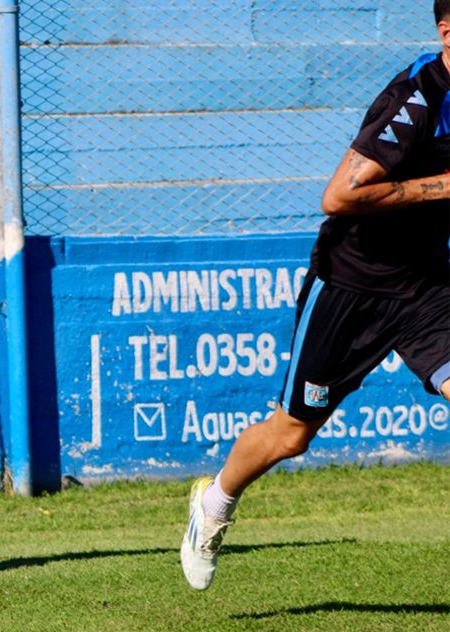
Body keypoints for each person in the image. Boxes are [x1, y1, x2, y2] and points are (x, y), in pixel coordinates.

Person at [181, 0, 450, 591]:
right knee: (292, 434)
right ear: (447, 30)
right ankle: (215, 505)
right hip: (352, 284)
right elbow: (339, 196)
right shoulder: (418, 97)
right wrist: (440, 187)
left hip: (428, 286)